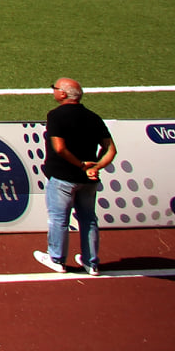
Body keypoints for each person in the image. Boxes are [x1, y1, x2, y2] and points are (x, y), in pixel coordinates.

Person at [35, 77, 114, 275]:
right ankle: (91, 263)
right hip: (88, 180)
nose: (53, 91)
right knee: (88, 219)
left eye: (55, 88)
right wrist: (96, 167)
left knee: (59, 219)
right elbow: (110, 149)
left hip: (63, 177)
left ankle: (56, 259)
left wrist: (80, 165)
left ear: (63, 94)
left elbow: (59, 148)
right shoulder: (94, 117)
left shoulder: (56, 116)